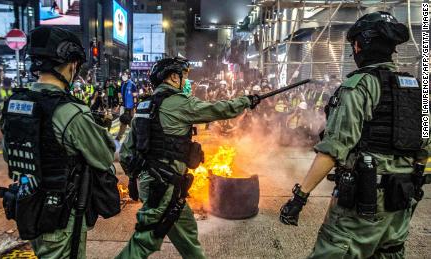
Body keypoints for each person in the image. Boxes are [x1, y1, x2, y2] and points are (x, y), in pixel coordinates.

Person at [279, 11, 430, 258]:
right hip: (402, 200)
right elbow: (425, 144)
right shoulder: (414, 88)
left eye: (354, 45)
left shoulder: (358, 86)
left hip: (364, 203)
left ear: (361, 45)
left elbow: (333, 149)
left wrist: (299, 198)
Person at [116, 57, 261, 259]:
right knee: (145, 240)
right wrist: (247, 101)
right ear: (174, 77)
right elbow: (217, 109)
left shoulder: (143, 106)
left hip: (156, 183)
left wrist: (133, 178)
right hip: (163, 186)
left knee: (186, 229)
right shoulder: (179, 103)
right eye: (184, 77)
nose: (186, 82)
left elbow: (125, 152)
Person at [0, 26, 117, 259]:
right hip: (60, 216)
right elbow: (104, 156)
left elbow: (8, 154)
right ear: (72, 64)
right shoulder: (70, 112)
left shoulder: (15, 104)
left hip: (29, 206)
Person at [116, 71, 137, 141]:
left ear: (128, 76)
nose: (123, 76)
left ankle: (118, 138)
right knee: (126, 122)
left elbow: (135, 96)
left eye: (125, 75)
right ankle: (119, 138)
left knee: (129, 123)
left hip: (131, 108)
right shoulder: (122, 84)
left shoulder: (132, 84)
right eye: (123, 75)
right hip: (125, 107)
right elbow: (120, 96)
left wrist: (135, 107)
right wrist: (119, 105)